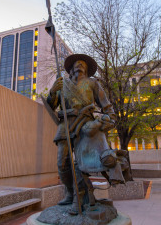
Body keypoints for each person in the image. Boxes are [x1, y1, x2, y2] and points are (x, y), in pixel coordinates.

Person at [47, 54, 117, 215]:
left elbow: (108, 109)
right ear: (71, 68)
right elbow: (51, 106)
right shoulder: (62, 84)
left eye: (83, 64)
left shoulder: (93, 83)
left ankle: (78, 200)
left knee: (79, 164)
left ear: (87, 69)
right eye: (76, 64)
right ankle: (70, 193)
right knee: (62, 164)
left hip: (85, 125)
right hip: (65, 125)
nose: (79, 65)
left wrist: (101, 123)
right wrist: (52, 92)